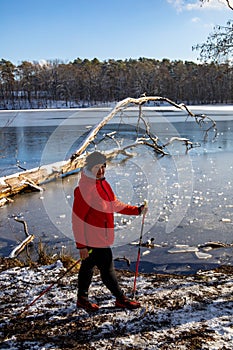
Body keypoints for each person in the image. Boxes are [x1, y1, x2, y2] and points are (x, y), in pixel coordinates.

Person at [72, 151, 147, 312]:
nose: (100, 171)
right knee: (107, 269)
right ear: (89, 168)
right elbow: (77, 220)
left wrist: (137, 210)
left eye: (103, 167)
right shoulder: (84, 189)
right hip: (93, 238)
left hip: (103, 236)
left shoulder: (104, 184)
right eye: (96, 168)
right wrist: (82, 246)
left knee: (88, 267)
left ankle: (82, 299)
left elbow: (114, 204)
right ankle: (121, 299)